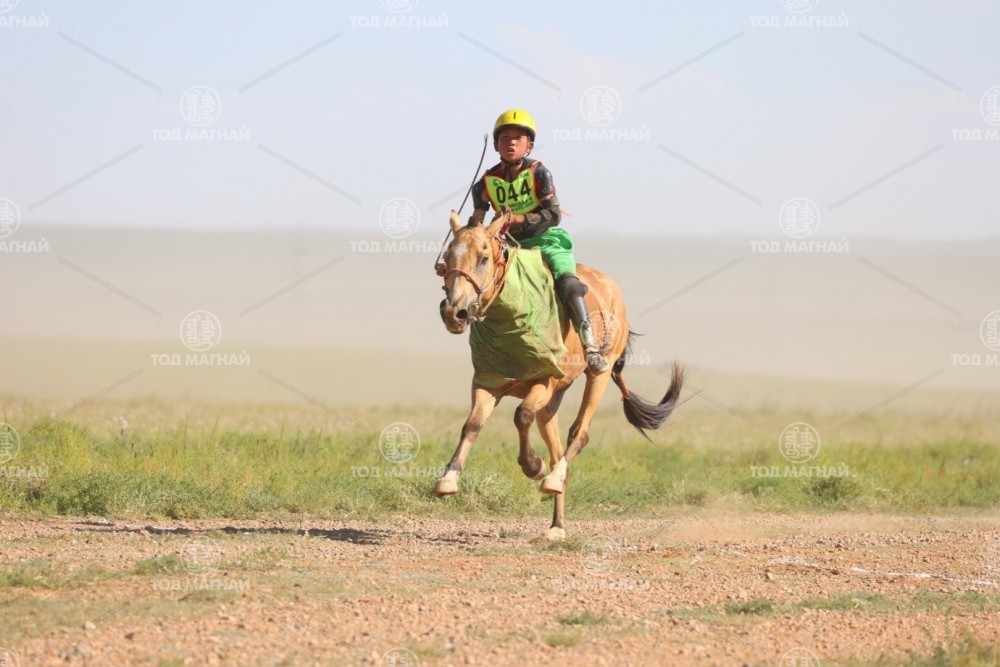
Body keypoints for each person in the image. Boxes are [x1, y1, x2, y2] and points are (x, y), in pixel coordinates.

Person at [468, 109, 609, 373]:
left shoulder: (538, 173)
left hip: (545, 240)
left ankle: (589, 345)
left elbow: (554, 215)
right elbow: (476, 224)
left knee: (569, 284)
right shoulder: (484, 184)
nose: (511, 143)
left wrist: (517, 219)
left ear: (529, 145)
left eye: (518, 139)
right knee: (479, 280)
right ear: (496, 144)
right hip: (509, 246)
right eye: (505, 138)